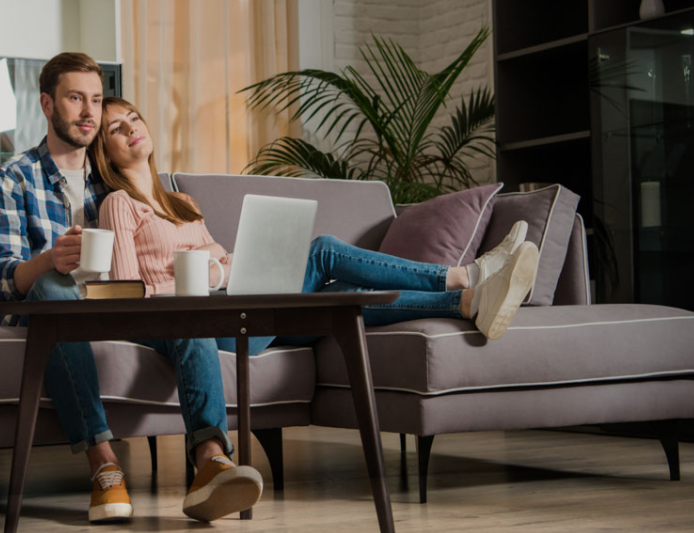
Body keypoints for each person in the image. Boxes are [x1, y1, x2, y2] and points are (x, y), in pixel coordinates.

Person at [0, 53, 262, 526]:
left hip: (120, 310)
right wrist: (50, 260)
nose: (89, 111)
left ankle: (211, 462)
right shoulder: (15, 178)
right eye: (76, 98)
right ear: (48, 105)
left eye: (95, 99)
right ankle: (105, 465)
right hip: (55, 311)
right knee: (53, 286)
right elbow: (2, 275)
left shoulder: (112, 179)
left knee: (185, 310)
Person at [90, 96, 541, 360]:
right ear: (105, 153)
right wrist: (199, 277)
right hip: (210, 327)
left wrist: (217, 272)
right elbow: (127, 296)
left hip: (241, 305)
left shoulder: (181, 202)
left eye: (133, 117)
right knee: (323, 250)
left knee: (336, 297)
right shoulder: (118, 205)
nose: (131, 128)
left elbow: (223, 259)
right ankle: (464, 274)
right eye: (116, 128)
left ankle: (465, 301)